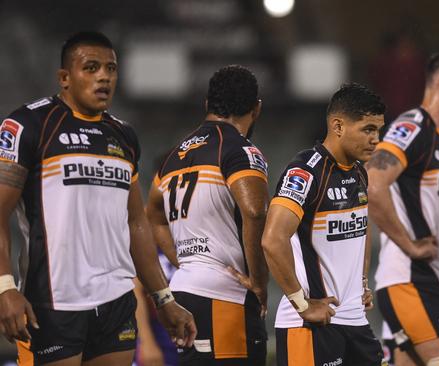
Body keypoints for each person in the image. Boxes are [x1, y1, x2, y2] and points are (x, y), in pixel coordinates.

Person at [0, 31, 196, 366]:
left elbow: (136, 222)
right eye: (91, 68)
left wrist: (163, 298)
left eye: (110, 68)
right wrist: (5, 288)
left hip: (116, 302)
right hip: (53, 303)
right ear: (65, 78)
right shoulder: (29, 125)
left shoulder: (124, 135)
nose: (104, 76)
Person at [146, 65, 269, 365]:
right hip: (225, 297)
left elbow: (154, 215)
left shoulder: (174, 155)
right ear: (256, 109)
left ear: (207, 106)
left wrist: (183, 261)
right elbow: (254, 211)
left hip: (184, 290)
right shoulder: (241, 149)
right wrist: (258, 281)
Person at [367, 47, 439, 366]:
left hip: (434, 285)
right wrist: (409, 244)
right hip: (415, 282)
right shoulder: (414, 126)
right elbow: (373, 183)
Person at [262, 83, 385, 366]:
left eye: (378, 130)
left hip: (355, 320)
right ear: (338, 126)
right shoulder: (305, 172)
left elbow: (361, 229)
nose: (375, 139)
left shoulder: (358, 173)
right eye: (368, 129)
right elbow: (272, 240)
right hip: (311, 325)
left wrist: (361, 281)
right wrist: (303, 305)